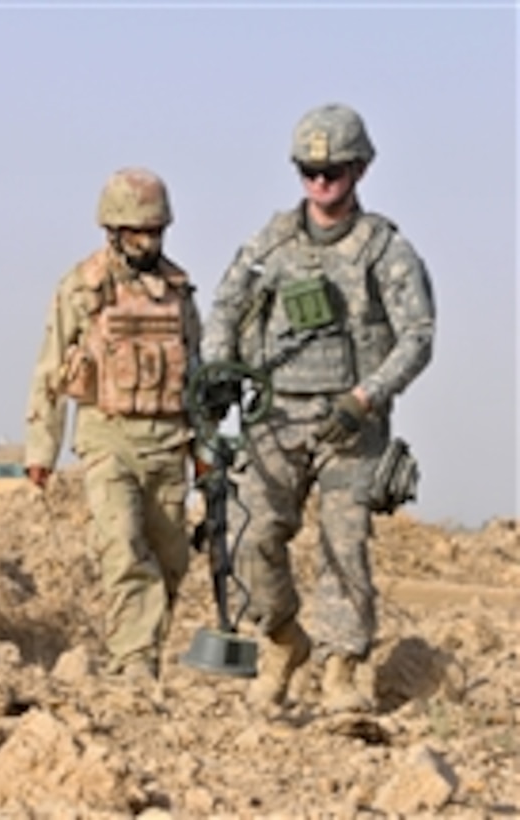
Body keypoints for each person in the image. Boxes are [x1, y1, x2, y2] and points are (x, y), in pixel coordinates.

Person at [201, 104, 436, 712]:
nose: (321, 180)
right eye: (310, 169)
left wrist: (365, 398)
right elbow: (225, 308)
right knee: (248, 536)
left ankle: (341, 668)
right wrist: (220, 372)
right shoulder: (271, 242)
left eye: (333, 169)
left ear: (359, 169)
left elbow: (418, 336)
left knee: (344, 545)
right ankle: (282, 641)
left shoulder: (384, 250)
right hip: (275, 418)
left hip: (349, 425)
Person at [25, 168, 201, 680]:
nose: (147, 242)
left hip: (169, 441)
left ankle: (143, 648)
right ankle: (134, 661)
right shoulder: (82, 289)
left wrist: (204, 449)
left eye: (155, 231)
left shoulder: (178, 290)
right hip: (108, 436)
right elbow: (50, 371)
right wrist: (42, 451)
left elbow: (198, 372)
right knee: (122, 543)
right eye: (137, 232)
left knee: (170, 559)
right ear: (114, 231)